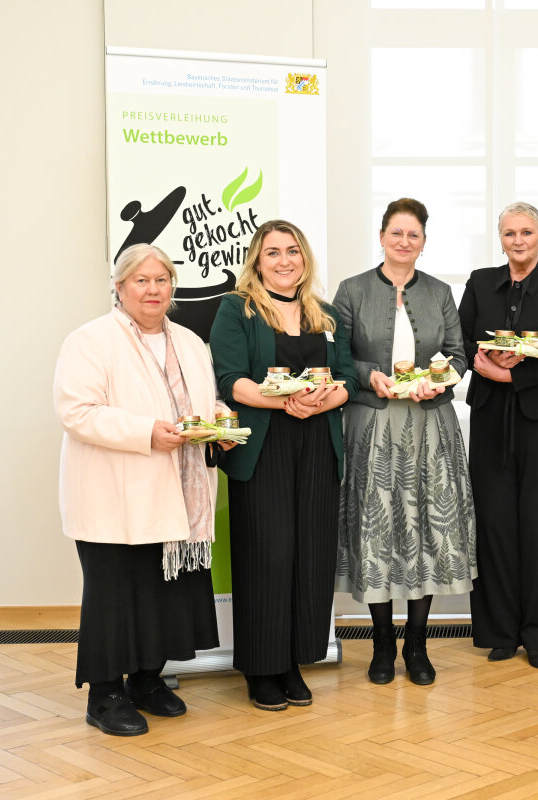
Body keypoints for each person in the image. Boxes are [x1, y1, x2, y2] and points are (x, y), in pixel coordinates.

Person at [54, 244, 226, 736]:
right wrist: (145, 431)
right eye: (141, 281)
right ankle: (105, 696)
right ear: (119, 286)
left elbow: (204, 400)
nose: (153, 290)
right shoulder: (90, 341)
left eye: (162, 280)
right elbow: (77, 412)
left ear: (173, 286)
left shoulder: (191, 341)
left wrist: (218, 420)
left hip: (177, 492)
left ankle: (148, 681)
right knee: (116, 595)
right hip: (114, 493)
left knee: (162, 592)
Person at [209, 220, 356, 711]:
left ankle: (294, 660)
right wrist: (286, 403)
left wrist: (324, 400)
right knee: (267, 555)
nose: (284, 260)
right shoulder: (237, 309)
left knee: (309, 555)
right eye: (272, 252)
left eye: (292, 251)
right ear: (257, 260)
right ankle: (261, 668)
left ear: (304, 257)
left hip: (317, 445)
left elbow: (349, 379)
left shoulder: (326, 314)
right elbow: (231, 379)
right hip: (263, 447)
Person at [334, 198, 477, 686]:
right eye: (396, 232)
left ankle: (416, 644)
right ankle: (380, 643)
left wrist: (441, 380)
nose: (404, 241)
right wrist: (369, 374)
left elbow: (459, 354)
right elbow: (337, 360)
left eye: (413, 234)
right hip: (372, 425)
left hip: (428, 427)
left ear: (423, 242)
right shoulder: (352, 290)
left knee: (426, 530)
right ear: (381, 237)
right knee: (379, 531)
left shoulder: (439, 291)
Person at [459, 201, 538, 669]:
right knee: (494, 525)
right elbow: (463, 339)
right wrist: (484, 362)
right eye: (509, 233)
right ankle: (500, 632)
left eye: (526, 232)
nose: (518, 241)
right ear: (501, 237)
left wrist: (509, 374)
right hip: (491, 418)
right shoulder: (477, 281)